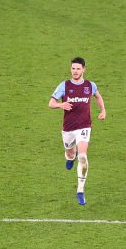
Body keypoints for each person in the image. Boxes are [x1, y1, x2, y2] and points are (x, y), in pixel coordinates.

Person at [49, 57, 107, 205]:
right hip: (68, 128)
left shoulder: (90, 85)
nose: (75, 71)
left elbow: (97, 96)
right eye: (73, 68)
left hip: (84, 126)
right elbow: (51, 103)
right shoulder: (64, 85)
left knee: (82, 156)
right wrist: (60, 105)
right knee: (70, 153)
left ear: (84, 69)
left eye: (78, 69)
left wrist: (103, 110)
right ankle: (69, 158)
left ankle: (80, 191)